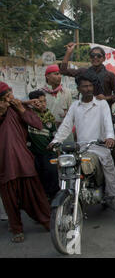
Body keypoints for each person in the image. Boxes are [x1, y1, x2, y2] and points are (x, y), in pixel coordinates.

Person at [49, 72, 115, 211]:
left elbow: (108, 123)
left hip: (100, 147)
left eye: (90, 86)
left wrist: (109, 138)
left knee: (111, 174)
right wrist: (56, 140)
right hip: (81, 148)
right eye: (84, 86)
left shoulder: (102, 104)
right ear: (78, 89)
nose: (88, 89)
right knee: (66, 170)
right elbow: (66, 125)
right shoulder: (75, 106)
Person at [61, 43, 115, 179]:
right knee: (82, 149)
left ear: (103, 58)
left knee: (111, 152)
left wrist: (106, 98)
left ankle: (113, 192)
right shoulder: (84, 72)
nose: (95, 58)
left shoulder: (109, 75)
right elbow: (64, 70)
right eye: (92, 55)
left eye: (98, 56)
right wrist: (69, 52)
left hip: (104, 116)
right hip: (85, 117)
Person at [0, 82, 51, 243]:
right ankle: (16, 228)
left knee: (35, 194)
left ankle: (47, 220)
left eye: (11, 94)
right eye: (7, 97)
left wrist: (22, 108)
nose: (11, 98)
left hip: (23, 161)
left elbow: (37, 124)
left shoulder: (19, 109)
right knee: (10, 200)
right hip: (4, 164)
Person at [27, 90, 60, 201]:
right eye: (39, 101)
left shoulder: (49, 117)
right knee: (38, 179)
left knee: (51, 177)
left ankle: (54, 201)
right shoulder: (28, 116)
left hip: (49, 154)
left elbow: (55, 136)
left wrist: (58, 154)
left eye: (44, 101)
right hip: (34, 155)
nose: (42, 104)